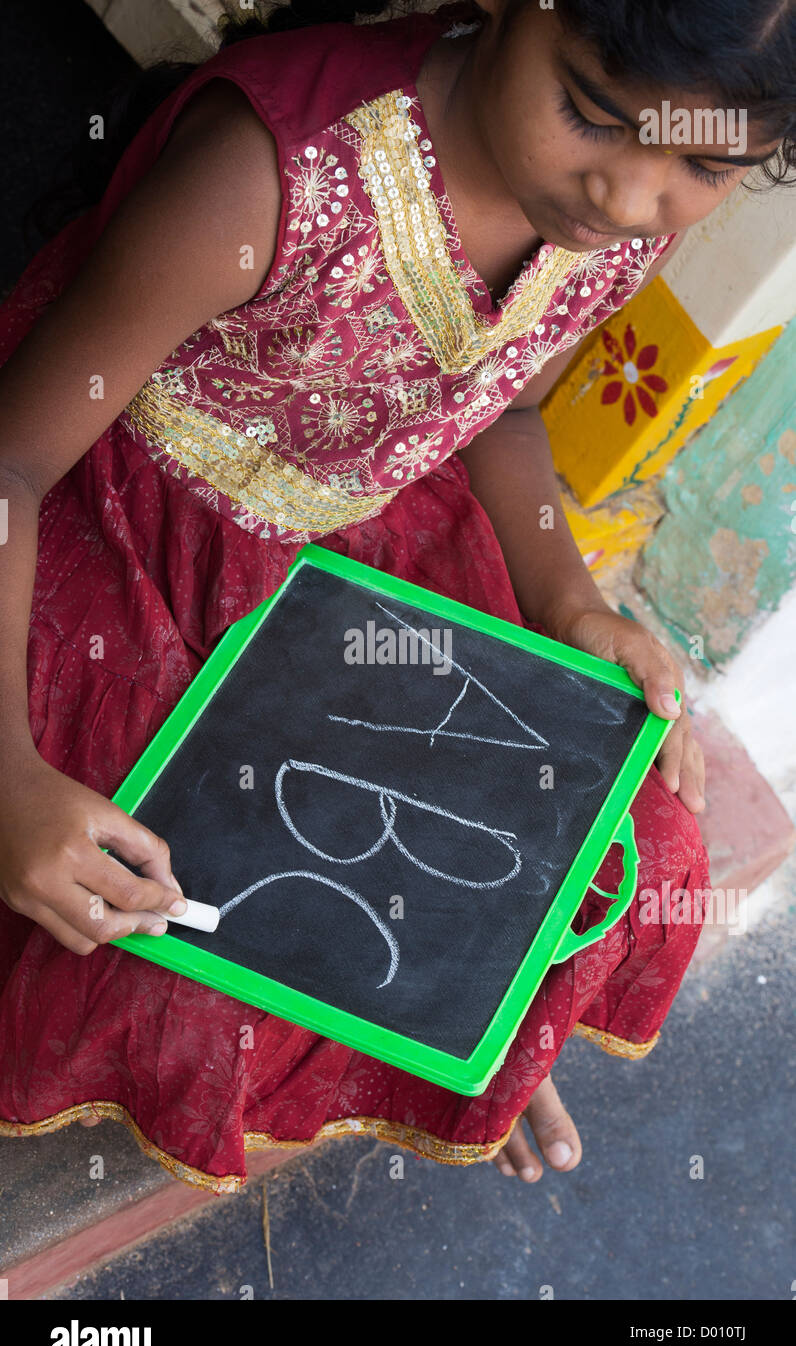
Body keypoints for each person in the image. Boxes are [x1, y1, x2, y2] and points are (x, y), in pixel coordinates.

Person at [0, 0, 790, 1194]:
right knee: (156, 934)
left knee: (607, 862)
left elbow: (507, 406)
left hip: (362, 556)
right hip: (124, 533)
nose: (629, 199)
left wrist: (568, 599)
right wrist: (7, 779)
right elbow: (11, 465)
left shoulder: (605, 209)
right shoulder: (266, 177)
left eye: (699, 163)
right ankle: (383, 1024)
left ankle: (433, 1028)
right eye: (587, 110)